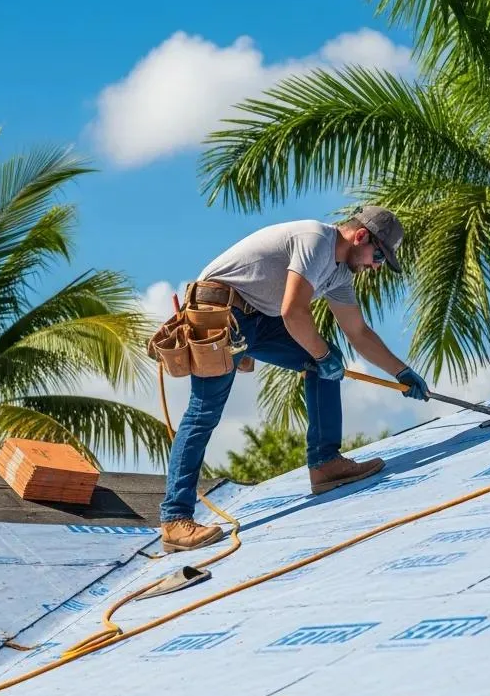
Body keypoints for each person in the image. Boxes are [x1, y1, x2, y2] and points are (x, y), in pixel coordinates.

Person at [159, 205, 431, 553]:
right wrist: (319, 354)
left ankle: (325, 464)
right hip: (219, 313)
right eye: (378, 256)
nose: (375, 267)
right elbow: (292, 311)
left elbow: (359, 333)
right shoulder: (316, 240)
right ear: (361, 236)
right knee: (204, 412)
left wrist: (401, 372)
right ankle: (174, 519)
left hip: (255, 318)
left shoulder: (339, 276)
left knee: (324, 358)